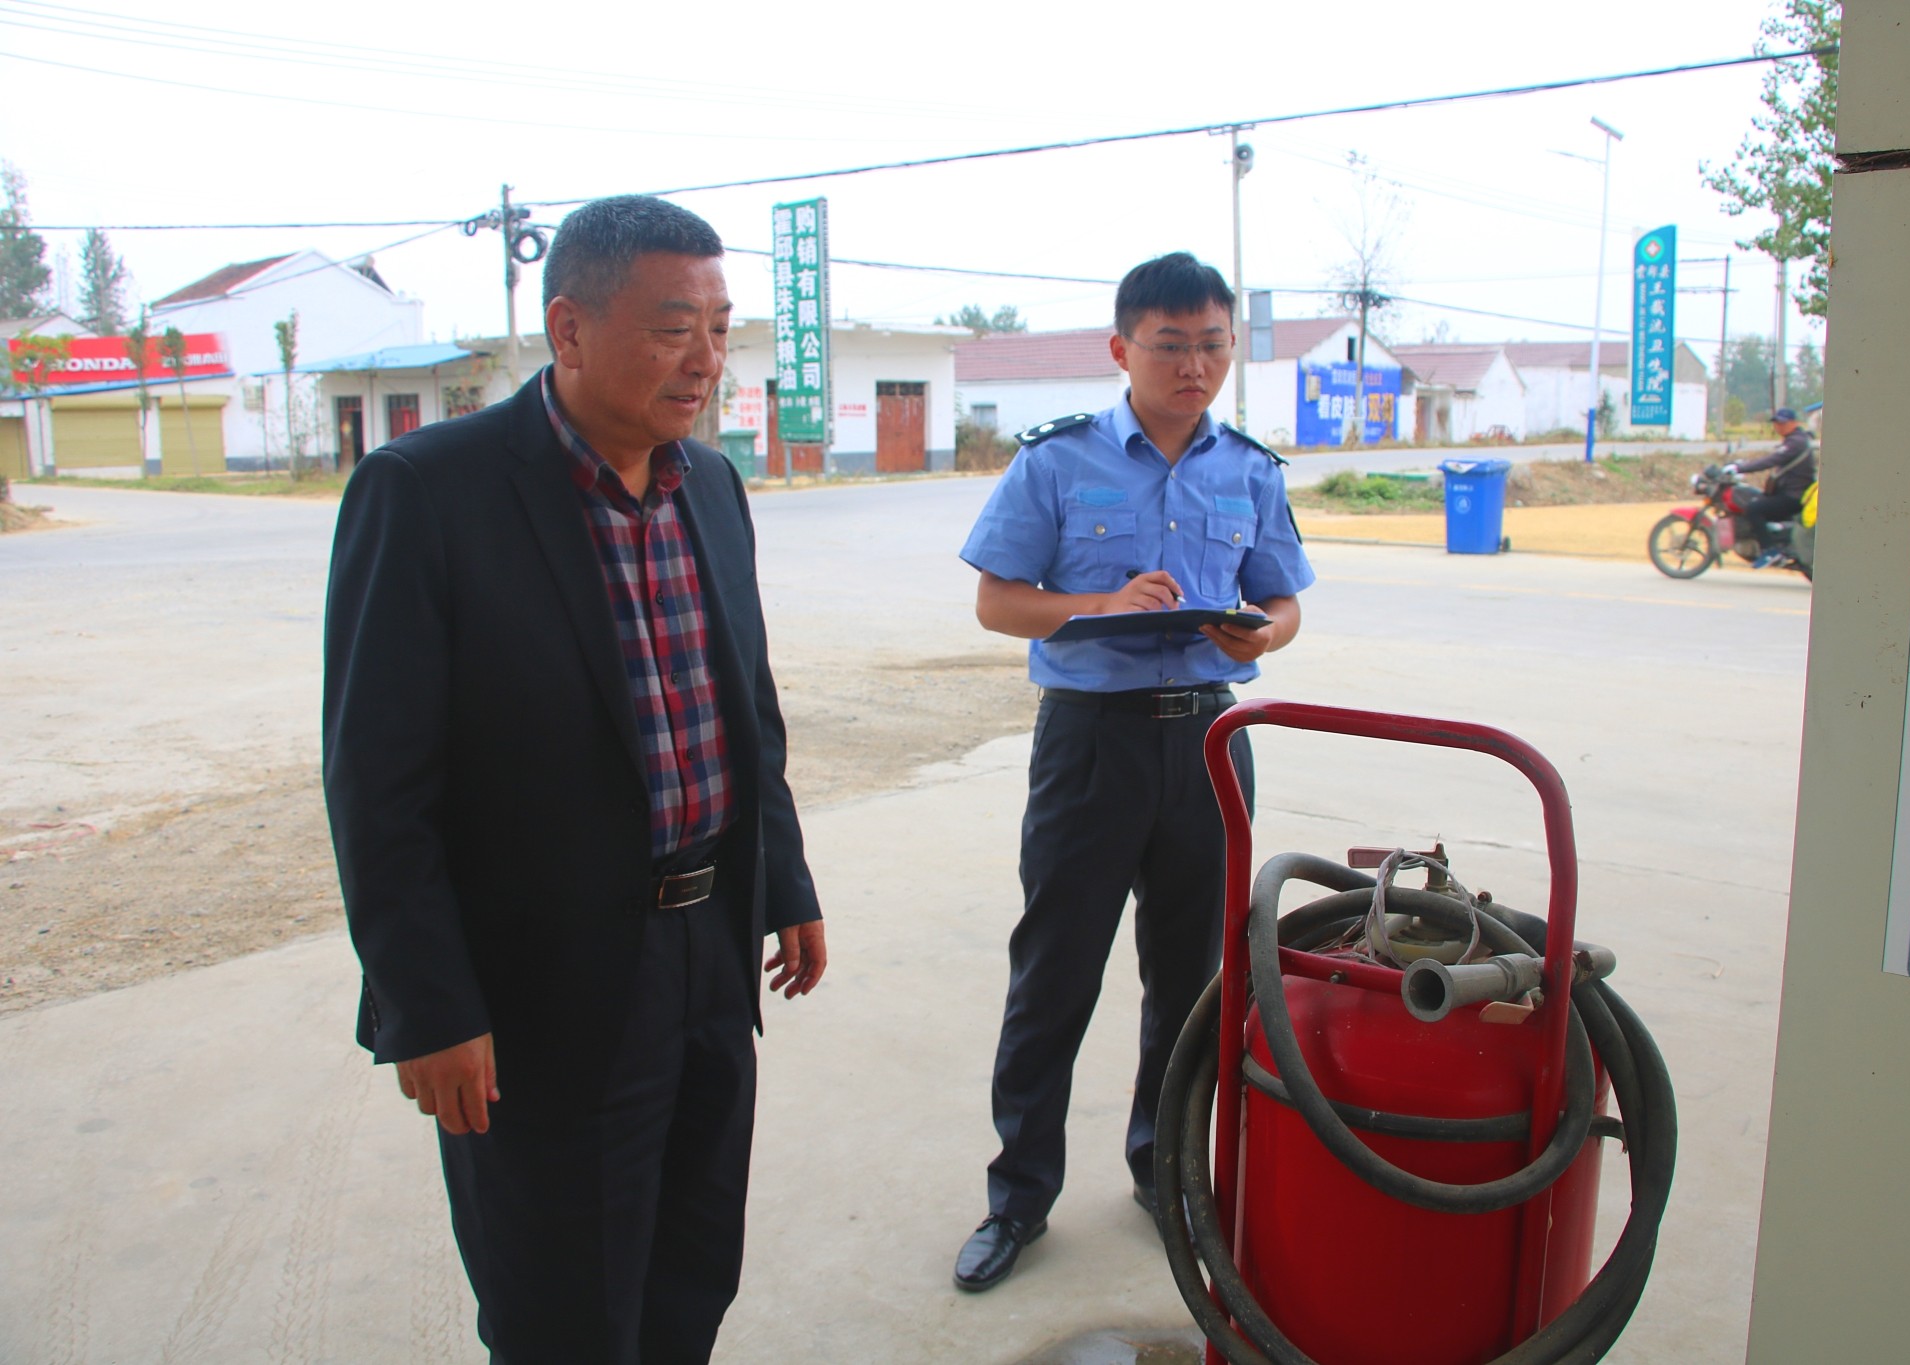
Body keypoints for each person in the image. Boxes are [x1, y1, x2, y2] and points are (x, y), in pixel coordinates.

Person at [323, 195, 826, 1364]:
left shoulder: (710, 487)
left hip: (708, 955)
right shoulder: (429, 491)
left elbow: (744, 712)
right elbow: (376, 783)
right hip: (538, 987)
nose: (705, 360)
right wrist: (427, 1005)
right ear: (568, 329)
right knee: (561, 1309)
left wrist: (782, 883)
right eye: (671, 329)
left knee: (690, 1273)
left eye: (719, 328)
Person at [951, 252, 1315, 1292]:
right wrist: (1101, 606)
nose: (1193, 366)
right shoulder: (1057, 462)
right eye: (1170, 345)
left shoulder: (1248, 469)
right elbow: (996, 601)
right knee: (1055, 970)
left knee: (1191, 977)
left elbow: (1283, 601)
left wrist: (1263, 636)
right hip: (1091, 743)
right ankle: (1018, 1196)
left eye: (1212, 345)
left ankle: (1166, 1171)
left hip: (1209, 741)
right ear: (1122, 349)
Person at [1725, 406, 1817, 566]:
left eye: (1783, 423)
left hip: (1793, 496)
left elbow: (1771, 460)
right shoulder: (1795, 440)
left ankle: (1770, 550)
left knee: (1754, 509)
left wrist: (1740, 468)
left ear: (1794, 423)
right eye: (1776, 423)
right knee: (1758, 501)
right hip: (1792, 493)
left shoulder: (1795, 442)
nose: (1779, 426)